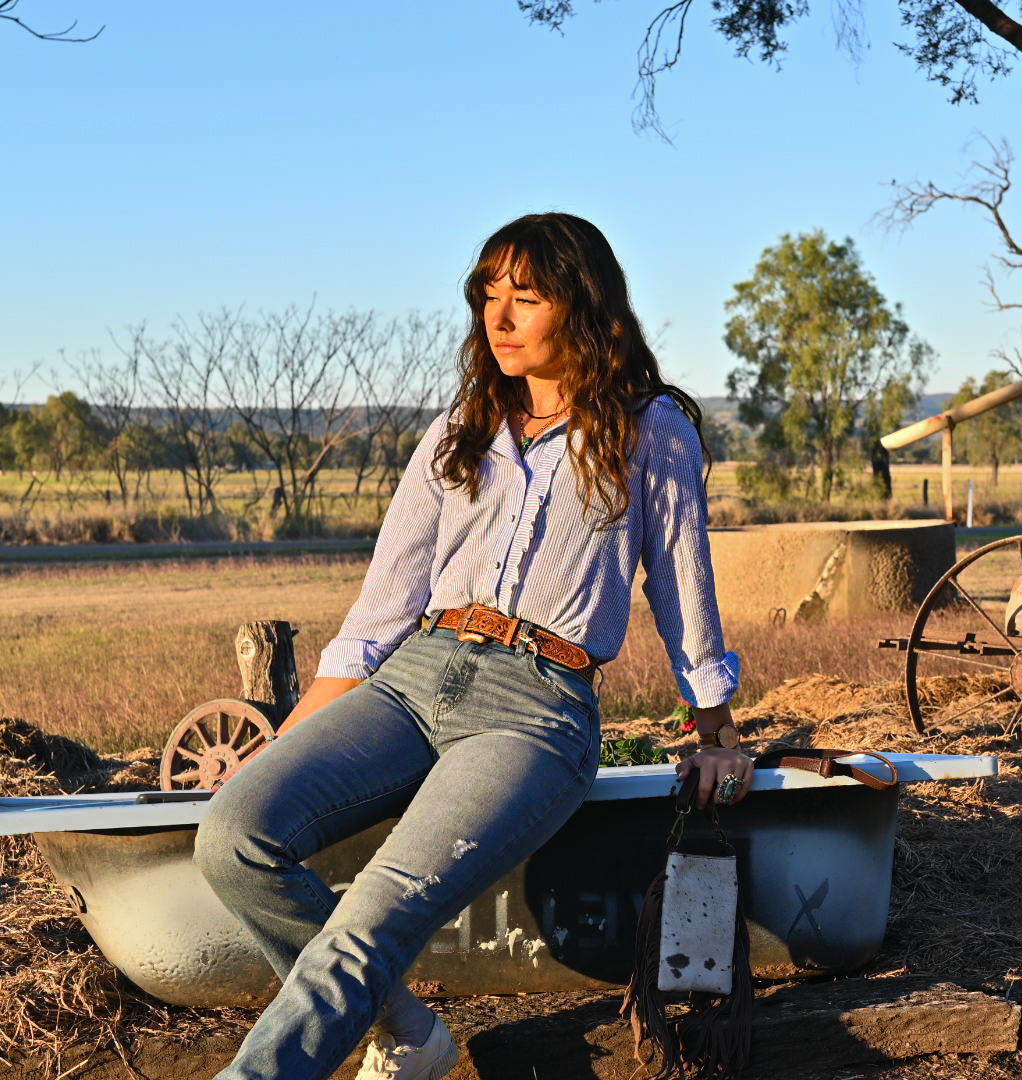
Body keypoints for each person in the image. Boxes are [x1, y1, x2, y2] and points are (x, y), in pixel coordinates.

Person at [195, 212, 754, 1080]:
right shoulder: (462, 426)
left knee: (373, 914)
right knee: (232, 833)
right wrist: (283, 748)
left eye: (525, 297)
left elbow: (685, 590)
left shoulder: (651, 430)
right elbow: (377, 618)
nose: (498, 317)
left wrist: (715, 729)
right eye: (488, 295)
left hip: (535, 710)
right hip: (414, 677)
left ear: (583, 305)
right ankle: (407, 1032)